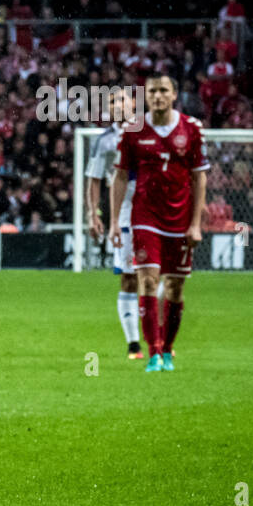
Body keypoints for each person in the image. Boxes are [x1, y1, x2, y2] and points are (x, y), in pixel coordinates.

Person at [110, 76, 209, 372]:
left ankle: (167, 348)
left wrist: (196, 224)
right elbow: (119, 175)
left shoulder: (192, 129)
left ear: (174, 94)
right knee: (149, 280)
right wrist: (115, 221)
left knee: (176, 288)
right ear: (146, 97)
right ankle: (152, 352)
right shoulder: (133, 129)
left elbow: (199, 176)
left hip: (180, 217)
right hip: (145, 216)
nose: (157, 96)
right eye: (152, 91)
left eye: (163, 90)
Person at [85, 90, 142, 359]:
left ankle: (160, 338)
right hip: (125, 215)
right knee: (130, 278)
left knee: (162, 276)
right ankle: (133, 344)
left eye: (122, 99)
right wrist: (93, 214)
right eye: (112, 102)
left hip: (156, 212)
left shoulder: (149, 132)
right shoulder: (104, 142)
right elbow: (94, 180)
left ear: (134, 103)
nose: (118, 105)